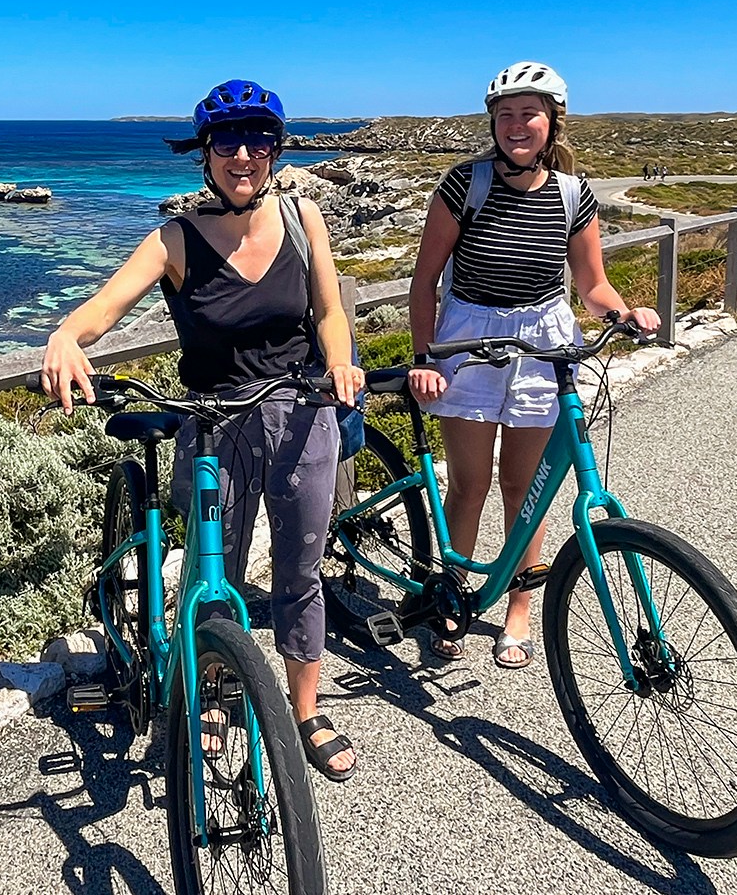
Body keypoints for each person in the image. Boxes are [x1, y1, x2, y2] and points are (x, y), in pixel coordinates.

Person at [41, 79, 364, 780]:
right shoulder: (176, 237)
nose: (242, 154)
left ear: (276, 149)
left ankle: (304, 707)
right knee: (211, 572)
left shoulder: (305, 219)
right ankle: (216, 689)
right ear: (206, 155)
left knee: (300, 572)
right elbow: (108, 303)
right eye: (226, 142)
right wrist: (67, 335)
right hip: (216, 423)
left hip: (302, 411)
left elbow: (331, 312)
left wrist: (340, 364)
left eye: (257, 140)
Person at [406, 62, 661, 668]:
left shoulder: (575, 195)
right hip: (469, 336)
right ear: (492, 122)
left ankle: (519, 609)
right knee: (469, 485)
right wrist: (422, 357)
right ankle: (455, 596)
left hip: (543, 336)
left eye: (530, 113)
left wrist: (624, 314)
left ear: (552, 122)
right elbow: (424, 281)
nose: (517, 125)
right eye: (506, 114)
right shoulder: (463, 185)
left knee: (527, 488)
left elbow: (592, 285)